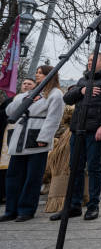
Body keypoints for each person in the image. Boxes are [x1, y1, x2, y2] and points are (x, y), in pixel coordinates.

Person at [50, 52, 101, 221]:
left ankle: (93, 206)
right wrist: (82, 90)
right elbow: (67, 99)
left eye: (93, 60)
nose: (89, 62)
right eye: (89, 60)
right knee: (75, 167)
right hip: (77, 129)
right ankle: (74, 206)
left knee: (94, 168)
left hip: (95, 130)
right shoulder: (84, 80)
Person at [1, 66, 64, 222]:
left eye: (41, 73)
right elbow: (10, 111)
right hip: (20, 137)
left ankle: (26, 209)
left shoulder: (55, 94)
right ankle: (11, 209)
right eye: (37, 72)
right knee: (13, 176)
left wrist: (44, 137)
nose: (37, 75)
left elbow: (54, 118)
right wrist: (25, 99)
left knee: (32, 177)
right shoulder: (27, 94)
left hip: (37, 137)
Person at [0, 78, 35, 205]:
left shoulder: (37, 100)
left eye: (29, 84)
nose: (26, 85)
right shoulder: (12, 100)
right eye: (24, 83)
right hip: (8, 134)